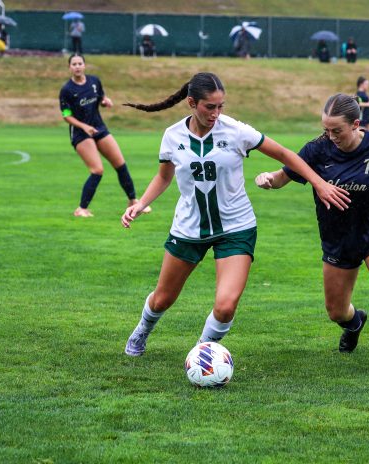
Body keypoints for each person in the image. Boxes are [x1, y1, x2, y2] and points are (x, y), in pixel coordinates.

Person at [121, 72, 350, 357]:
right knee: (162, 299)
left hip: (236, 228)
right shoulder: (172, 136)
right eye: (210, 107)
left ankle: (202, 353)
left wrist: (318, 183)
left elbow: (284, 154)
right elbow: (164, 177)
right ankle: (142, 330)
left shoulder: (236, 131)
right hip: (189, 228)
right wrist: (140, 203)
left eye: (221, 106)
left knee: (226, 305)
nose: (216, 113)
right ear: (191, 103)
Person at [254, 93, 369, 378]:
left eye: (336, 130)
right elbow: (282, 177)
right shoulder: (317, 149)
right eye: (326, 129)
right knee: (336, 312)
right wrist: (267, 179)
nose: (331, 136)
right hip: (337, 238)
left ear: (355, 124)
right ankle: (355, 323)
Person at [59, 54, 149, 217]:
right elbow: (66, 115)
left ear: (84, 65)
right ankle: (81, 209)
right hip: (80, 133)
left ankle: (132, 201)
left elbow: (100, 97)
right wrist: (84, 126)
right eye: (74, 64)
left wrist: (105, 101)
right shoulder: (67, 90)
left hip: (99, 128)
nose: (77, 66)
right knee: (97, 170)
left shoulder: (94, 81)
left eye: (80, 63)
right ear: (69, 67)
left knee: (120, 164)